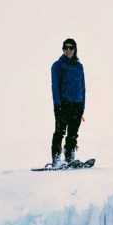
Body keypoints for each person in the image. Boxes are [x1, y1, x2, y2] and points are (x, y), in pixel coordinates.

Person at [50, 37, 85, 167]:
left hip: (77, 105)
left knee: (72, 134)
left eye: (71, 48)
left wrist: (82, 106)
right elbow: (55, 87)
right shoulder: (57, 65)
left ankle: (69, 158)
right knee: (59, 132)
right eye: (66, 48)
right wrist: (57, 105)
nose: (68, 50)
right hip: (63, 104)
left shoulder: (79, 66)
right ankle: (56, 159)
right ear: (63, 49)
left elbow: (83, 87)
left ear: (75, 49)